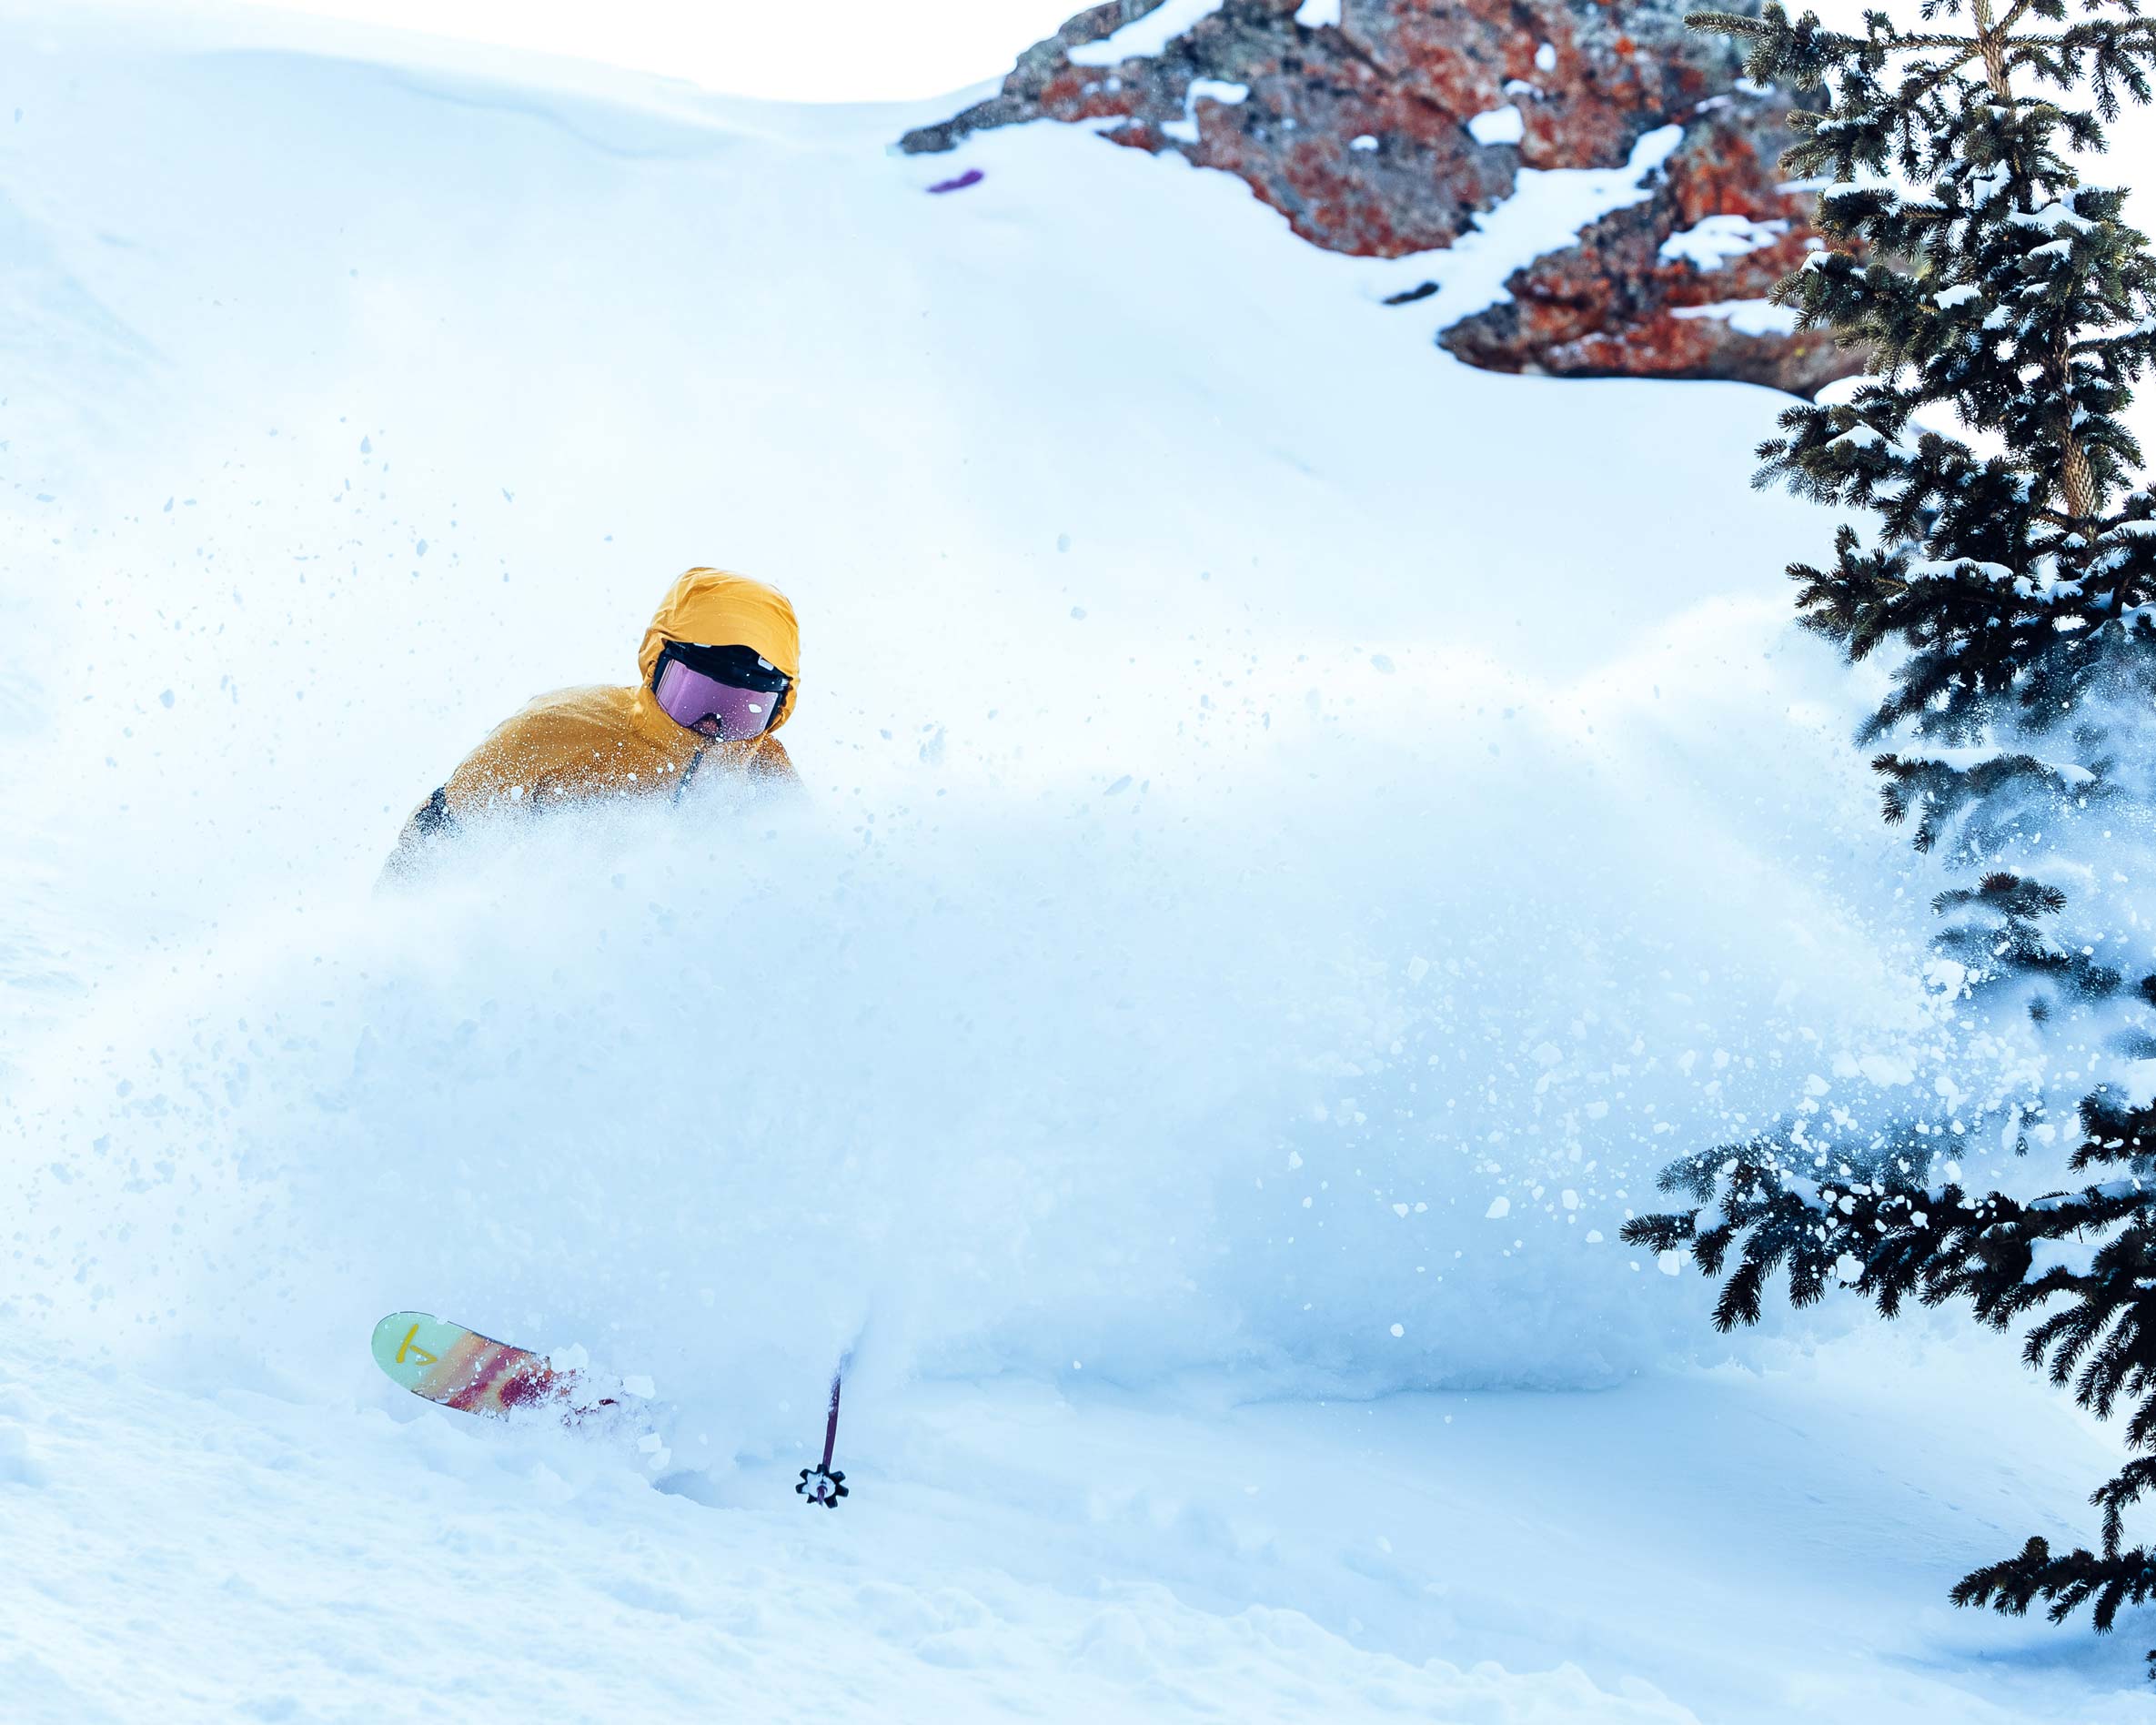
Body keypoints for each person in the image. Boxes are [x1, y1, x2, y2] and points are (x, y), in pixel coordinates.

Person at [386, 567, 800, 876]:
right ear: (655, 666)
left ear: (778, 709)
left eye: (740, 709)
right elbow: (437, 833)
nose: (710, 725)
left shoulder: (766, 774)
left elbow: (801, 884)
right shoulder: (558, 731)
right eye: (692, 696)